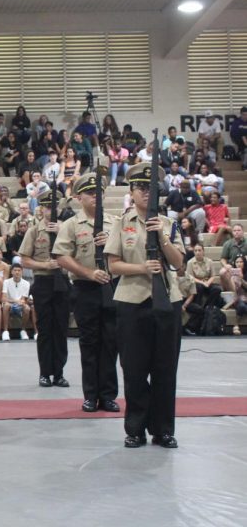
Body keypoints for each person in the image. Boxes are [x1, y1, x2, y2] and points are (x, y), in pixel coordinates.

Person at [105, 162, 185, 449]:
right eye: (140, 188)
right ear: (132, 191)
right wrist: (142, 267)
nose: (146, 193)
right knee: (135, 369)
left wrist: (162, 237)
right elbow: (113, 266)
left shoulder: (170, 223)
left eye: (151, 189)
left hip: (167, 302)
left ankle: (163, 429)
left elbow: (178, 263)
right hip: (132, 302)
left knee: (165, 369)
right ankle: (136, 428)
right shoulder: (121, 223)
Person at [53, 173, 120, 413]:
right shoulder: (72, 224)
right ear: (80, 197)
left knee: (111, 343)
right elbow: (61, 256)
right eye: (91, 193)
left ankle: (109, 395)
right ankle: (91, 395)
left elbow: (128, 251)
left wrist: (112, 241)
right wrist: (88, 273)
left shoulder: (116, 222)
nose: (96, 197)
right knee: (90, 344)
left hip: (112, 287)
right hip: (85, 288)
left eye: (99, 193)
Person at [19, 188, 70, 388]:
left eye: (54, 206)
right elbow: (24, 260)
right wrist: (44, 265)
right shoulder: (34, 231)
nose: (51, 211)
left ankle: (59, 373)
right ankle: (44, 373)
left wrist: (61, 232)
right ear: (41, 209)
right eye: (47, 207)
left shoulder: (67, 228)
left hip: (63, 282)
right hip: (43, 283)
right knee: (46, 330)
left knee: (61, 329)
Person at [1, 263, 31, 340]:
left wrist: (20, 302)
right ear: (11, 272)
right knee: (6, 305)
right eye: (15, 270)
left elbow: (23, 299)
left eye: (19, 270)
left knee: (27, 308)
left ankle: (23, 330)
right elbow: (4, 298)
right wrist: (15, 301)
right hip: (9, 304)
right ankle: (5, 331)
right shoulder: (6, 282)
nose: (17, 272)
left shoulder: (26, 283)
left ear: (22, 272)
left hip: (20, 305)